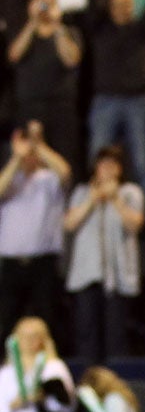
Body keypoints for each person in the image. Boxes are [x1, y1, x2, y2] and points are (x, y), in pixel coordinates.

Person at [63, 145, 145, 363]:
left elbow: (135, 224)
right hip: (86, 274)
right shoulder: (82, 192)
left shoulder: (130, 193)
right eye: (103, 164)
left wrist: (115, 199)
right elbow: (70, 223)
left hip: (117, 277)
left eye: (112, 164)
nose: (107, 169)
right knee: (86, 333)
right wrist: (92, 199)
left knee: (116, 336)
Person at [85, 0, 145, 197]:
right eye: (118, 4)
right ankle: (93, 205)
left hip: (138, 100)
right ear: (110, 7)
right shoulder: (100, 29)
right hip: (105, 99)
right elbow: (92, 8)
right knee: (97, 155)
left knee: (143, 161)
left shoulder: (140, 30)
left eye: (127, 4)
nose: (122, 8)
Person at [0, 121, 71, 341]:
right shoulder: (12, 179)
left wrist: (38, 145)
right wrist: (16, 158)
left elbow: (65, 172)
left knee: (46, 319)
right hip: (11, 263)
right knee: (6, 321)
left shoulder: (48, 179)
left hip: (43, 262)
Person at [6, 0, 83, 173]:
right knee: (30, 159)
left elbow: (72, 59)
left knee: (63, 161)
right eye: (41, 2)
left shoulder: (68, 31)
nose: (44, 7)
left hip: (61, 107)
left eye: (49, 3)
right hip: (30, 106)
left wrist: (57, 25)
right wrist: (33, 22)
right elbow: (14, 55)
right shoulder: (22, 30)